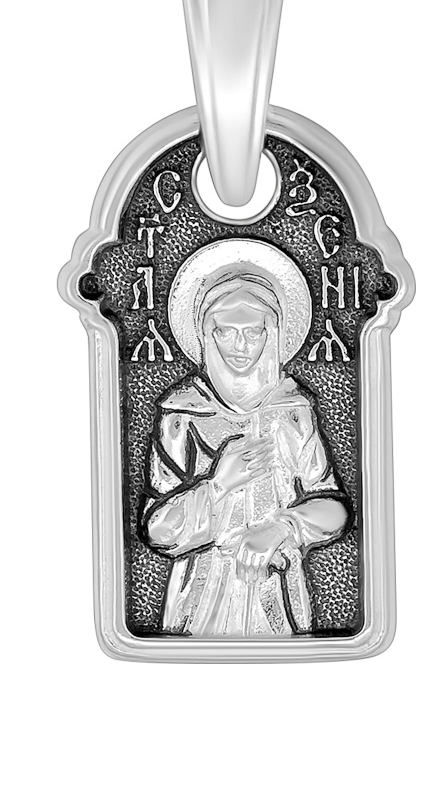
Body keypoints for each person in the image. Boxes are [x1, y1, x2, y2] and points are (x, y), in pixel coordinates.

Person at [141, 241, 349, 636]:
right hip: (200, 598)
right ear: (207, 333)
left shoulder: (291, 411)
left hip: (275, 592)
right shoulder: (182, 415)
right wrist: (218, 484)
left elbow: (333, 507)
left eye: (253, 332)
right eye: (226, 332)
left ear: (272, 334)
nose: (241, 346)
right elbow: (157, 531)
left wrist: (281, 528)